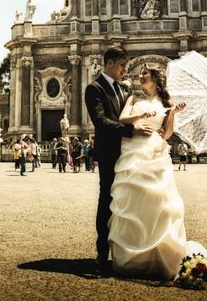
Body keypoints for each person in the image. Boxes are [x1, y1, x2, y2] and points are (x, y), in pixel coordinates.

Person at [107, 63, 207, 289]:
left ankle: (160, 254)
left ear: (155, 77)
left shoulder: (167, 104)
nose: (140, 76)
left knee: (160, 204)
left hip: (155, 151)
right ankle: (134, 256)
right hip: (134, 151)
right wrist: (138, 120)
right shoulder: (133, 99)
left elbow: (166, 134)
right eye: (140, 73)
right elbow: (122, 119)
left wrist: (173, 113)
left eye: (144, 73)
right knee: (132, 201)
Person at [84, 46, 154, 270]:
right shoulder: (94, 88)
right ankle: (102, 251)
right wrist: (131, 131)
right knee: (107, 200)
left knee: (129, 201)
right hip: (109, 153)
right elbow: (100, 121)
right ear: (110, 64)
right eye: (123, 65)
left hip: (128, 153)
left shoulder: (124, 90)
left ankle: (125, 248)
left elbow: (128, 118)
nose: (125, 70)